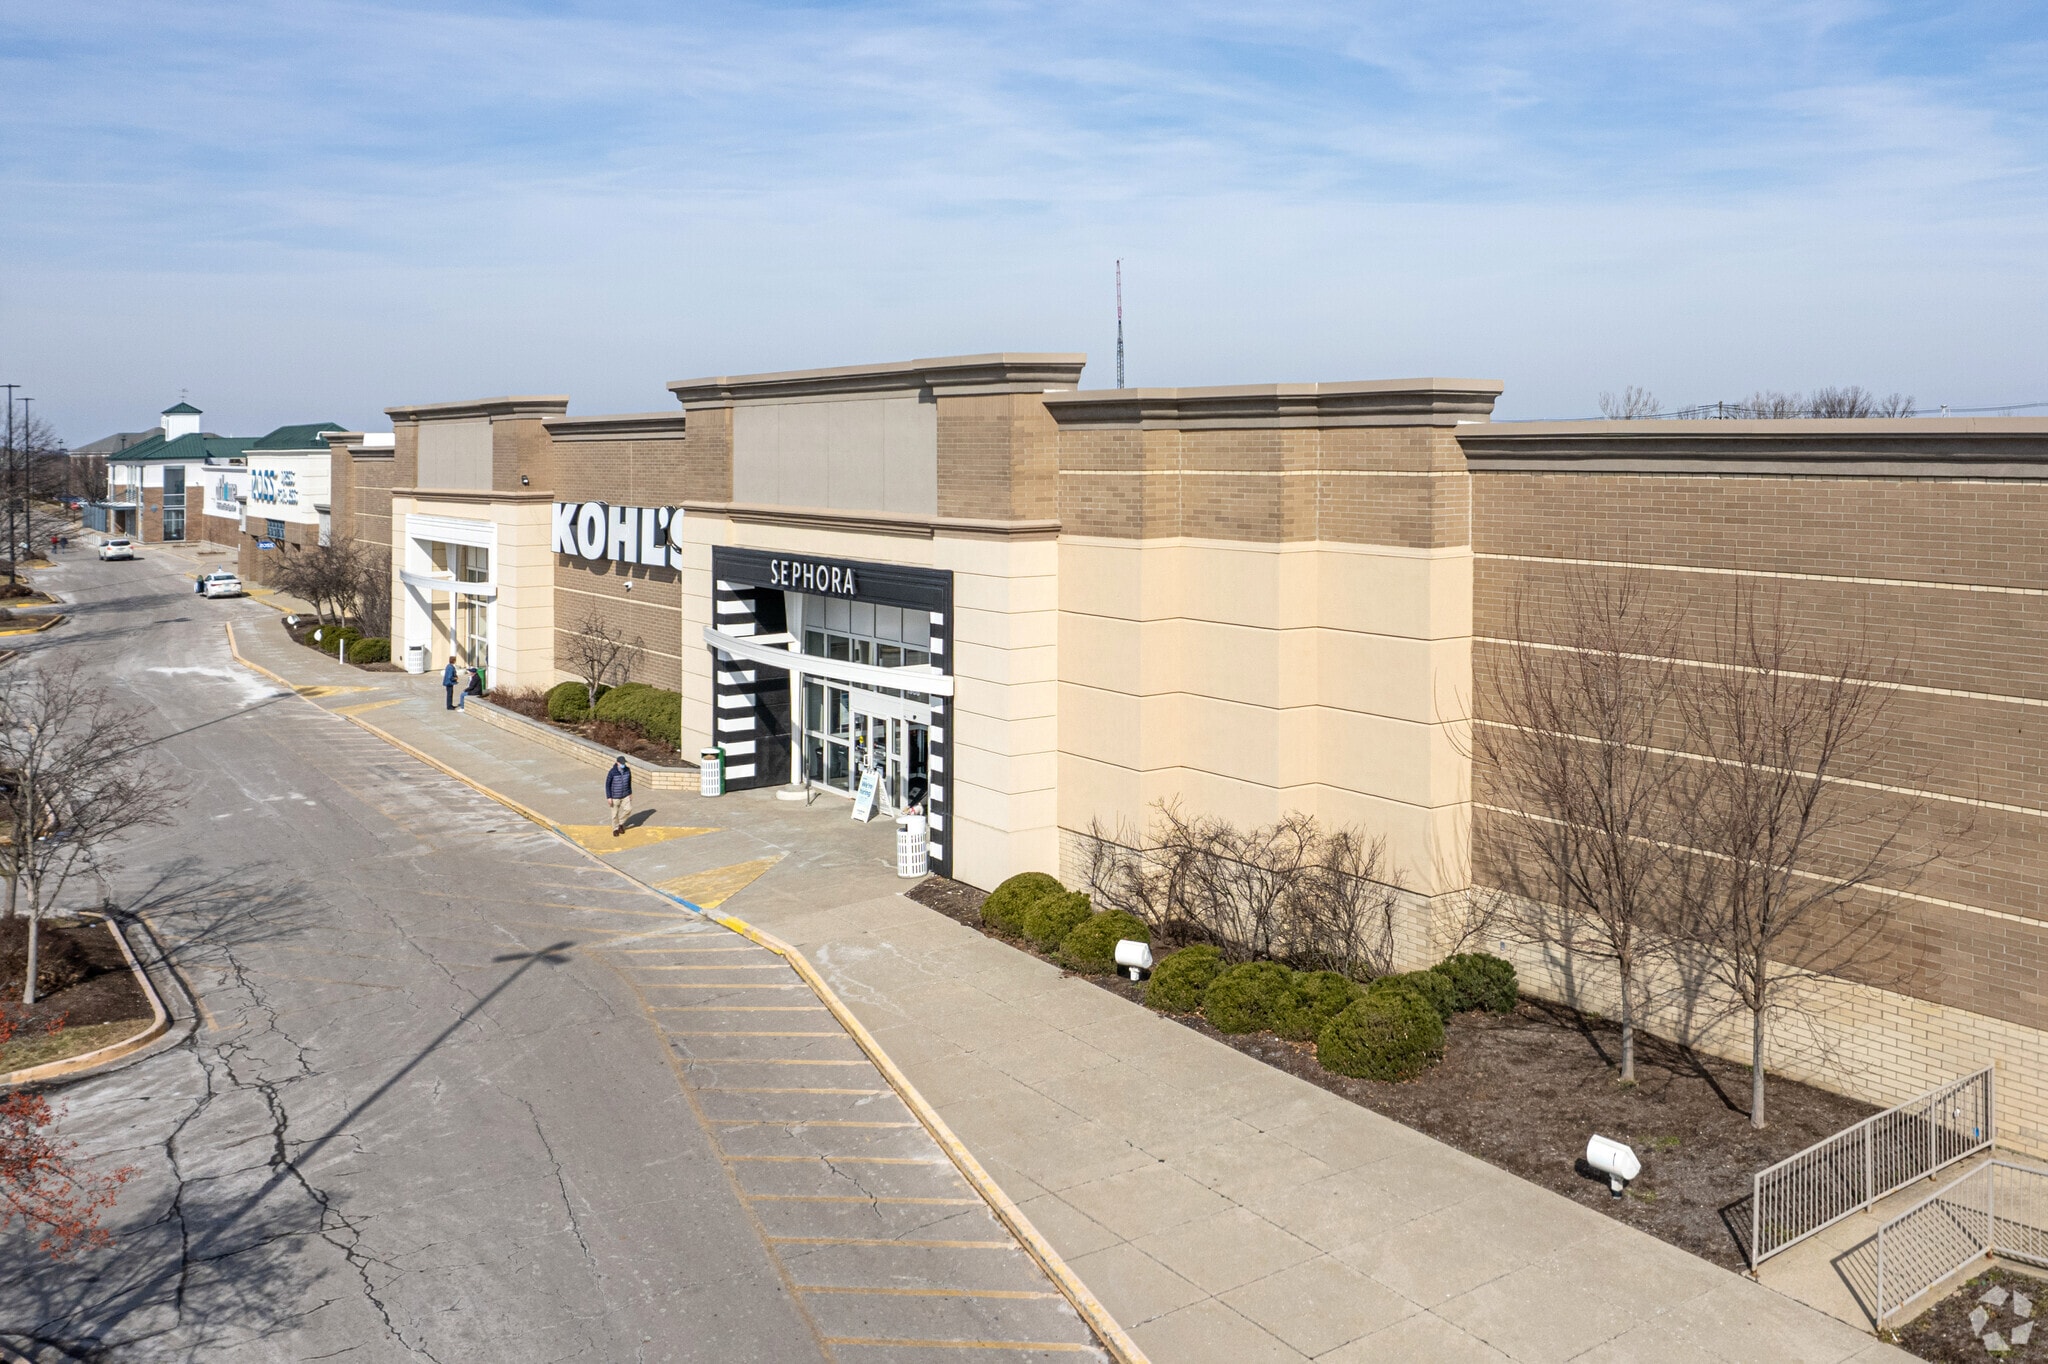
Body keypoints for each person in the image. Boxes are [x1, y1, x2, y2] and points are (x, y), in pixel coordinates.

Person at [605, 756, 633, 837]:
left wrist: (630, 793)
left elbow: (629, 782)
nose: (623, 764)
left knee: (628, 809)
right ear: (617, 763)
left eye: (624, 763)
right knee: (614, 814)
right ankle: (615, 829)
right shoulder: (612, 772)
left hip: (625, 795)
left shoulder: (627, 770)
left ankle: (620, 823)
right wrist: (609, 797)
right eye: (622, 763)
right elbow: (607, 785)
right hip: (615, 796)